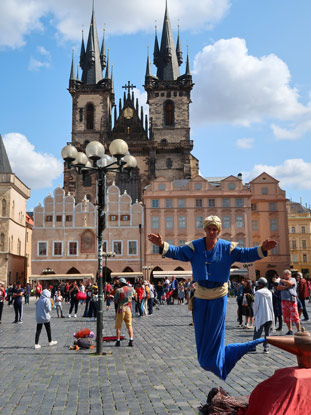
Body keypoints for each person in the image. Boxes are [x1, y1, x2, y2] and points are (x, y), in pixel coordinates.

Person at [148, 215, 277, 380]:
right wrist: (162, 245)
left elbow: (245, 254)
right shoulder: (195, 247)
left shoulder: (227, 248)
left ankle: (219, 361)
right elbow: (178, 252)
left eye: (214, 229)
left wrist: (262, 249)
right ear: (205, 229)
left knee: (216, 333)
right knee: (201, 331)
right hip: (201, 294)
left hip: (218, 295)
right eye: (209, 228)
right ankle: (207, 359)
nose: (211, 231)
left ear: (218, 230)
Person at [251, 277, 274, 354]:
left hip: (261, 315)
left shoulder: (258, 292)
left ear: (261, 284)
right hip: (269, 314)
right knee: (268, 333)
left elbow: (256, 305)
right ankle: (266, 348)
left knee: (257, 331)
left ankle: (253, 346)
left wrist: (255, 314)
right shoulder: (269, 292)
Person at [276, 269, 301, 335]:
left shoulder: (293, 279)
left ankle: (298, 330)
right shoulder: (281, 281)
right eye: (284, 274)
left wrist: (283, 281)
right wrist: (286, 286)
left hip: (291, 300)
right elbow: (278, 288)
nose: (285, 275)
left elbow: (290, 283)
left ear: (290, 275)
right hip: (284, 300)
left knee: (295, 315)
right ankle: (290, 330)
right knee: (286, 316)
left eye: (287, 274)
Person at [114, 278, 136, 347]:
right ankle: (131, 340)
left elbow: (116, 300)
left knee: (118, 326)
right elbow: (134, 294)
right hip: (128, 308)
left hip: (121, 308)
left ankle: (118, 341)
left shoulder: (119, 290)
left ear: (120, 283)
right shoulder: (131, 289)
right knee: (129, 325)